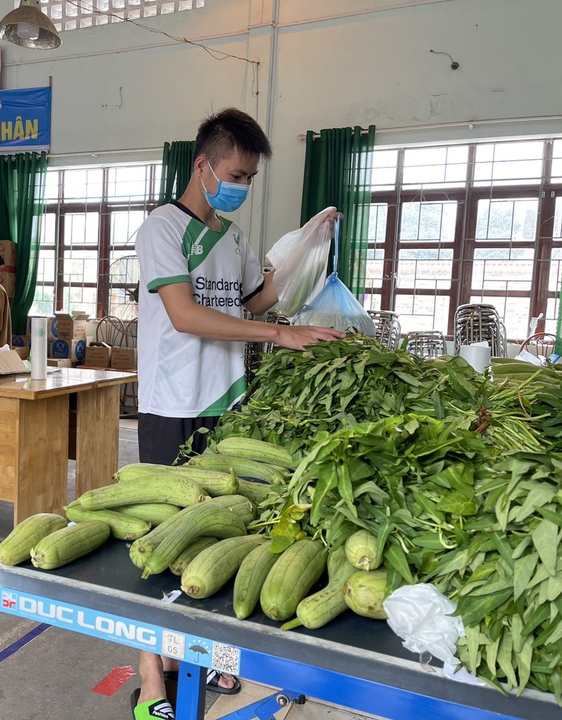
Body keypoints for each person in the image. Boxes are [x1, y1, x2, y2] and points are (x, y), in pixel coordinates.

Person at [132, 108, 345, 720]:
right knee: (165, 540)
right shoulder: (161, 229)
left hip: (227, 406)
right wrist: (281, 337)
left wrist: (308, 242)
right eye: (236, 173)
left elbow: (261, 297)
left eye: (250, 177)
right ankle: (153, 681)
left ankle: (205, 659)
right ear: (202, 166)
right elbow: (187, 316)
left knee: (225, 531)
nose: (242, 186)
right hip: (173, 405)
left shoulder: (232, 237)